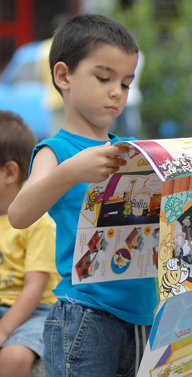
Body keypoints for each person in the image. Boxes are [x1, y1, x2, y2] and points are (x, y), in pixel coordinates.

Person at [7, 14, 158, 377]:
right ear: (63, 76)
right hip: (85, 315)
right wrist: (71, 171)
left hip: (144, 315)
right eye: (104, 78)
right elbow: (18, 214)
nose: (116, 93)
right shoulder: (55, 151)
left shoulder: (132, 150)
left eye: (125, 83)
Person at [0, 111, 59, 377]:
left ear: (9, 172)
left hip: (36, 312)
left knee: (13, 357)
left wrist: (4, 330)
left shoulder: (38, 221)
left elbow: (34, 288)